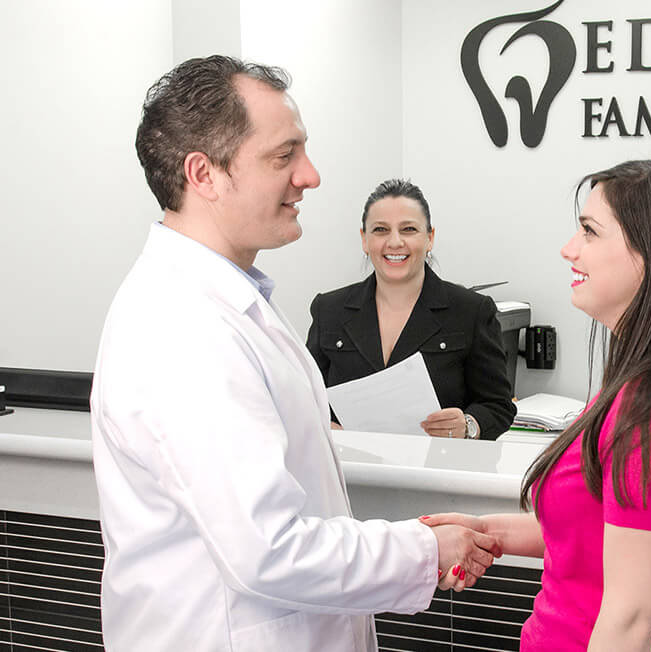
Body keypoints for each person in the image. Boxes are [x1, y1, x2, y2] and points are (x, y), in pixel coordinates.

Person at [90, 55, 499, 652]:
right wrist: (425, 548)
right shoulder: (184, 327)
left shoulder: (233, 302)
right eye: (284, 156)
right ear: (204, 174)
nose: (310, 176)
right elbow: (268, 548)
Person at [421, 160, 651, 651]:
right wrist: (489, 532)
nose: (570, 249)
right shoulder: (650, 387)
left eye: (589, 232)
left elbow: (631, 620)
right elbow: (601, 534)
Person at [305, 178, 517, 440]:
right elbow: (302, 398)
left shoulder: (471, 311)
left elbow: (499, 406)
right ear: (364, 239)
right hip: (350, 472)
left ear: (429, 238)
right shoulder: (329, 310)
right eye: (381, 230)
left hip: (435, 474)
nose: (394, 242)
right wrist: (323, 425)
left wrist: (468, 425)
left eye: (408, 230)